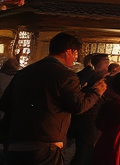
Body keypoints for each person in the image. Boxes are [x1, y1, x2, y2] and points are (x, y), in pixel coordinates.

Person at [0, 32, 106, 165]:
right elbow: (78, 106)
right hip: (46, 146)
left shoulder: (24, 73)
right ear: (68, 52)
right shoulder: (65, 75)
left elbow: (4, 104)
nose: (75, 58)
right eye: (75, 53)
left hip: (16, 143)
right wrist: (97, 92)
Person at [70, 52, 111, 165]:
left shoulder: (104, 78)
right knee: (84, 151)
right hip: (86, 118)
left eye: (107, 62)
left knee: (88, 150)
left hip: (95, 117)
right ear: (96, 64)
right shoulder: (89, 77)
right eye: (104, 63)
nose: (107, 65)